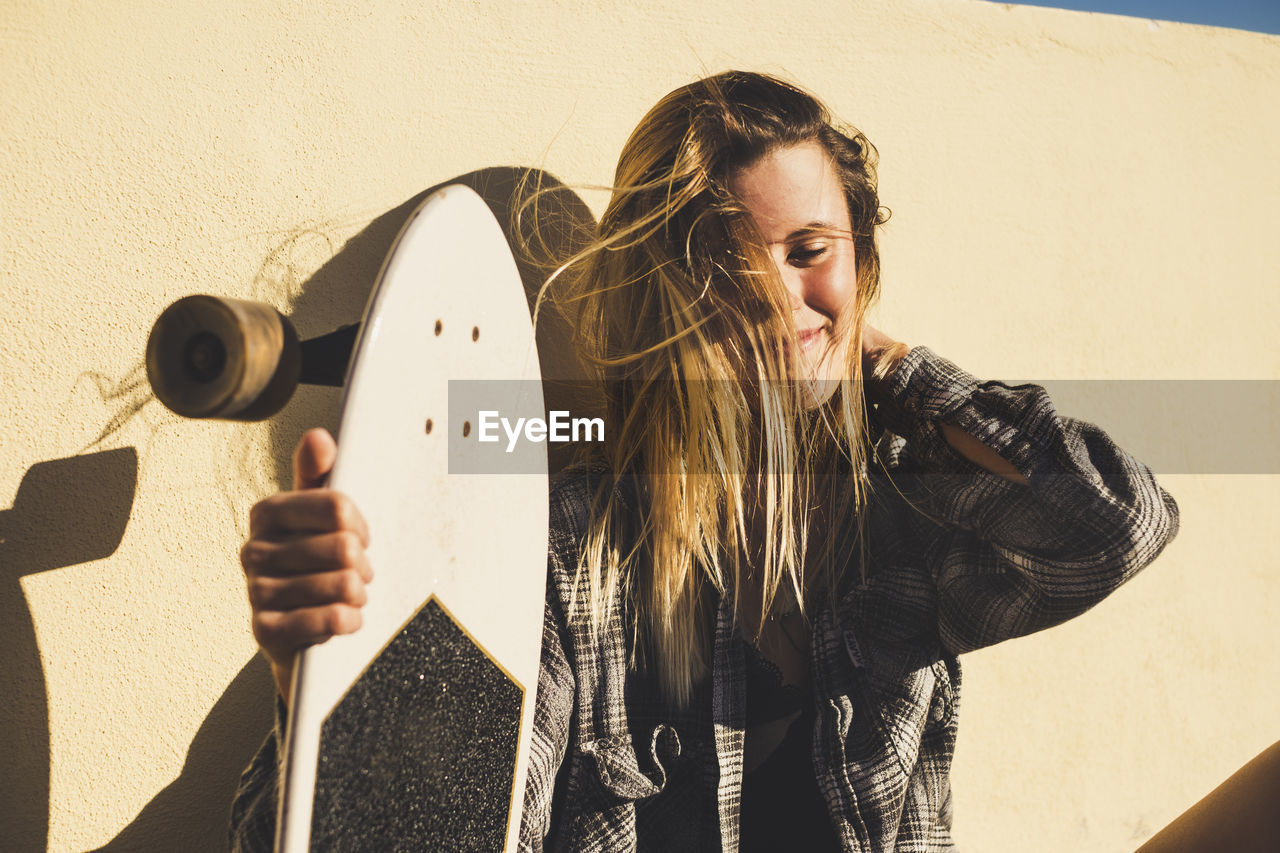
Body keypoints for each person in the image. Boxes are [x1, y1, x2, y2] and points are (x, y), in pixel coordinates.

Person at [229, 71, 1179, 851]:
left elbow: (1110, 525)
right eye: (727, 268)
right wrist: (322, 680)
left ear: (863, 260)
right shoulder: (570, 552)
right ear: (663, 300)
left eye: (810, 249)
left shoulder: (901, 514)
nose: (774, 298)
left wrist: (870, 353)